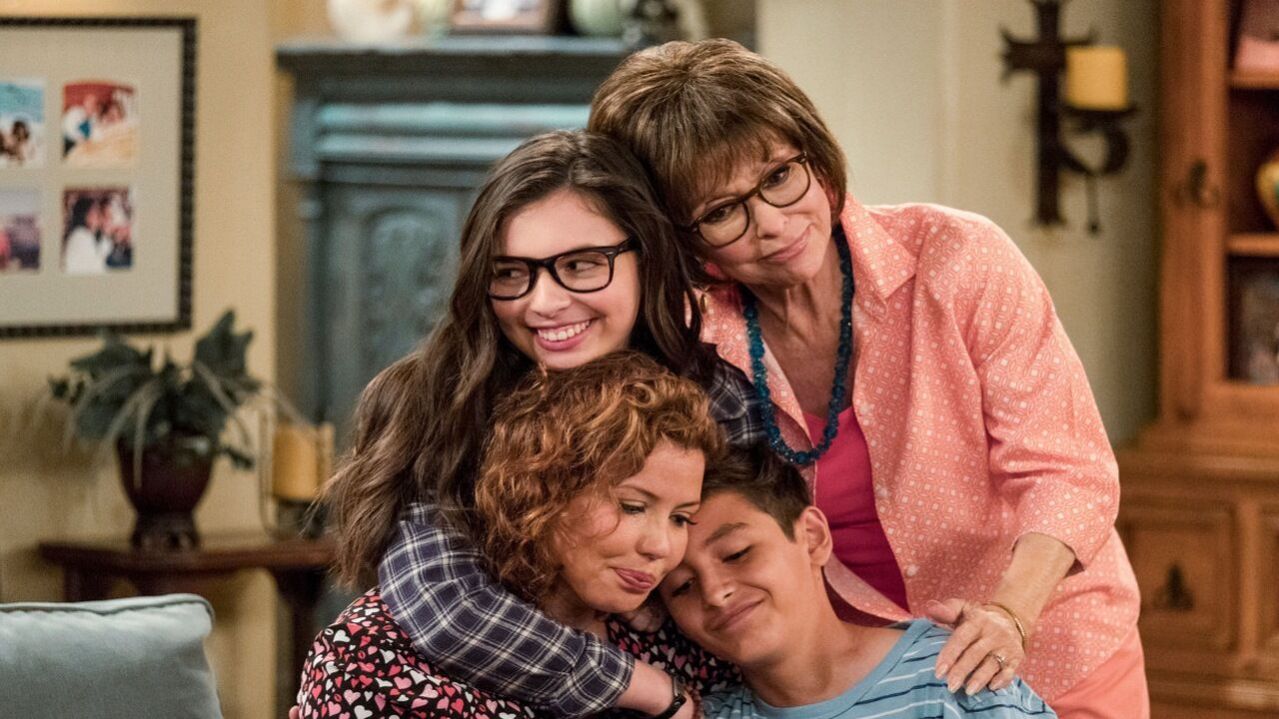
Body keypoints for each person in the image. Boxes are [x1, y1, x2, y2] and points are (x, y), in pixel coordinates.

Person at [587, 39, 1145, 717]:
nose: (772, 224)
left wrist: (1009, 615)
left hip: (1046, 639)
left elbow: (1066, 471)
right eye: (721, 212)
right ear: (681, 237)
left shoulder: (958, 257)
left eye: (778, 176)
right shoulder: (689, 340)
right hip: (861, 681)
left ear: (815, 157)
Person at [319, 130, 760, 719]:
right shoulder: (444, 403)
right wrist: (650, 690)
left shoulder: (714, 399)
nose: (543, 303)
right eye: (510, 273)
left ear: (647, 257)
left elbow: (754, 568)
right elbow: (446, 607)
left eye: (580, 265)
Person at [300, 352, 736, 718]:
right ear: (542, 488)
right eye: (632, 507)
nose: (661, 547)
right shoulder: (369, 656)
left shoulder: (676, 642)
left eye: (681, 518)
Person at [660, 444, 1057, 719]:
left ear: (812, 537)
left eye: (737, 554)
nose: (715, 592)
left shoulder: (955, 673)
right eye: (681, 586)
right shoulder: (703, 715)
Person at [62, 195, 109, 274]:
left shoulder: (90, 236)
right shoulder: (80, 235)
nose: (98, 215)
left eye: (98, 211)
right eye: (94, 211)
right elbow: (96, 268)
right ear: (84, 214)